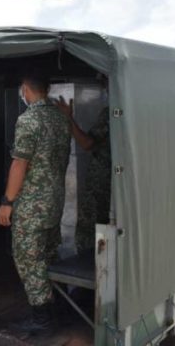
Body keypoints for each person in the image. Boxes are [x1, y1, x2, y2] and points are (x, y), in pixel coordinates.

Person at [0, 71, 71, 334]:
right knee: (48, 255)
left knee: (28, 259)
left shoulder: (28, 120)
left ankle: (42, 318)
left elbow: (20, 163)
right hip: (55, 201)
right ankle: (58, 307)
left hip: (32, 205)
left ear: (26, 90)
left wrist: (7, 201)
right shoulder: (60, 118)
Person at [56, 74, 111, 253]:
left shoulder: (111, 113)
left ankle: (91, 262)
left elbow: (87, 143)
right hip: (113, 184)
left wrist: (68, 118)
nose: (105, 88)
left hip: (102, 184)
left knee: (90, 231)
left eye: (106, 83)